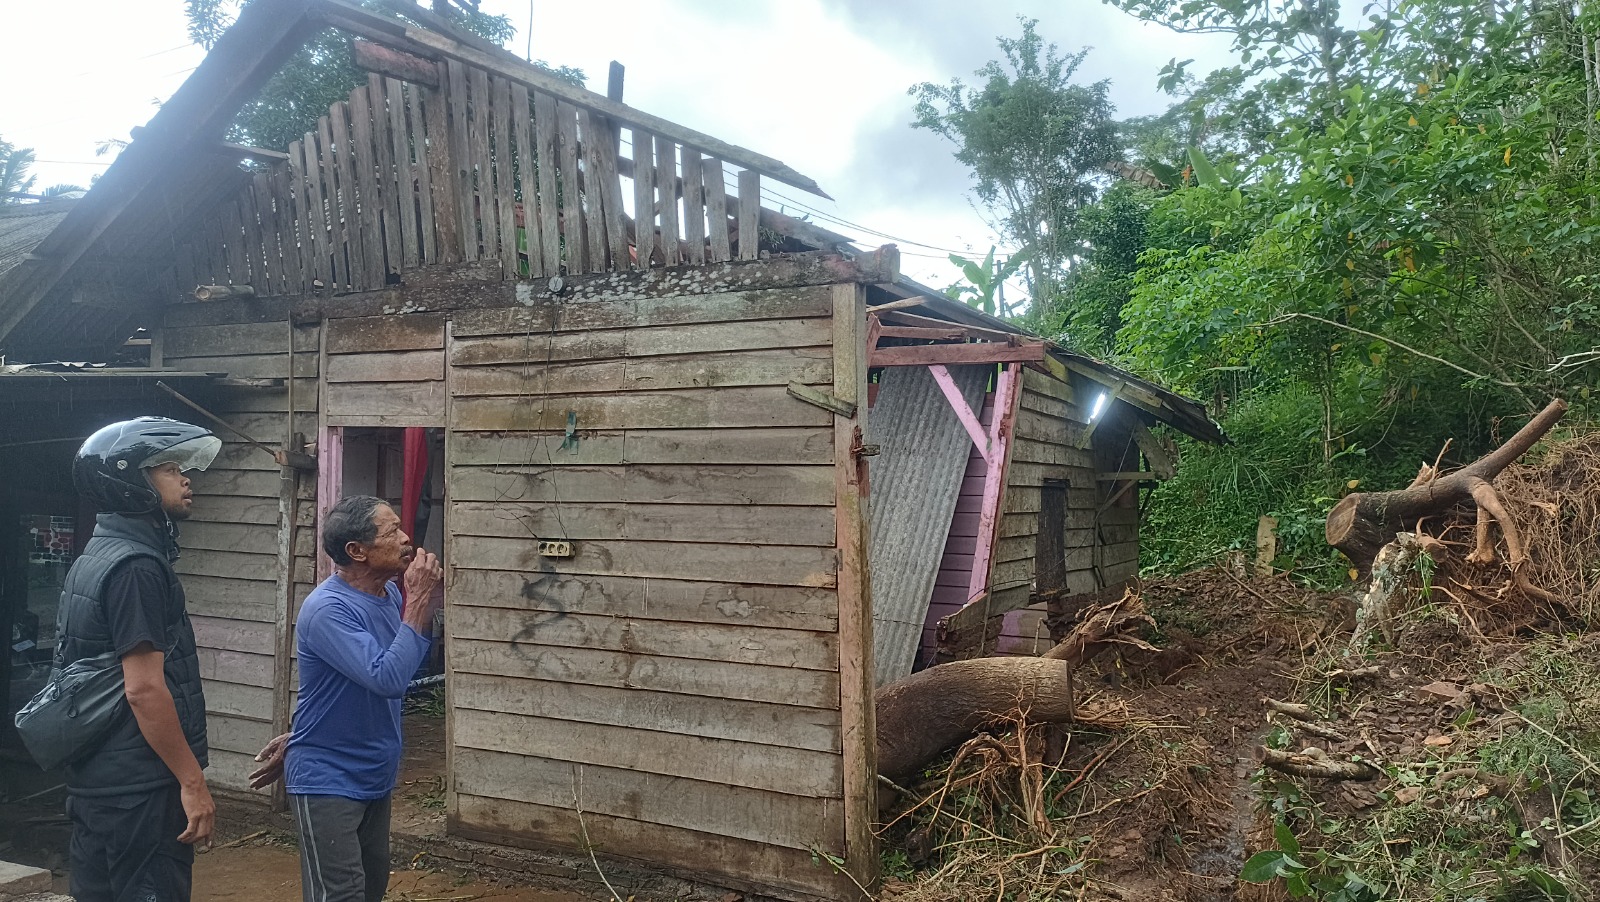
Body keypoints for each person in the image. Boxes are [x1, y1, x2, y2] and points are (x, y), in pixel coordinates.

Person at [59, 416, 222, 901]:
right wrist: (191, 782)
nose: (186, 479)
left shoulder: (97, 553)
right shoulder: (136, 567)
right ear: (131, 482)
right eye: (170, 469)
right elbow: (144, 688)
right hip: (139, 791)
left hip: (98, 782)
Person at [250, 494, 443, 902]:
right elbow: (388, 678)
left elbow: (391, 667)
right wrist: (419, 600)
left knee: (371, 888)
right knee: (340, 895)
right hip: (329, 777)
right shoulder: (328, 609)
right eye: (392, 531)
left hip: (374, 771)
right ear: (357, 551)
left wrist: (425, 599)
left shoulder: (389, 596)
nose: (406, 538)